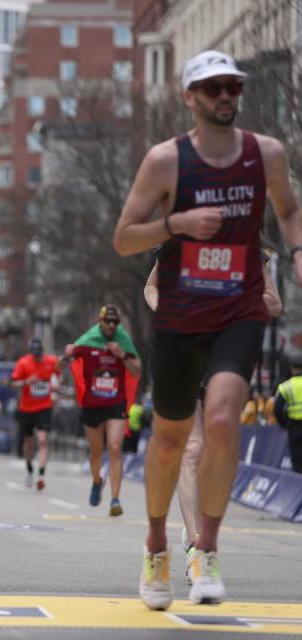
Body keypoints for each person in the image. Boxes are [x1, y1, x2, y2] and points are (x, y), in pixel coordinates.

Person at [114, 50, 302, 609]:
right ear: (190, 97)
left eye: (233, 87)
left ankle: (208, 550)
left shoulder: (265, 153)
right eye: (213, 87)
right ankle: (155, 546)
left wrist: (296, 251)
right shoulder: (165, 162)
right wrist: (176, 224)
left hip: (237, 307)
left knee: (222, 420)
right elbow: (125, 238)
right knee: (172, 440)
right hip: (180, 312)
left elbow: (289, 210)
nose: (225, 96)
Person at [145, 251, 283, 580]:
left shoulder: (247, 241)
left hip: (223, 356)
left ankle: (200, 532)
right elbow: (151, 286)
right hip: (182, 352)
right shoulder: (178, 236)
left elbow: (273, 303)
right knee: (191, 450)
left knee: (213, 451)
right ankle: (197, 547)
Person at [58, 305, 141, 517]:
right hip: (92, 405)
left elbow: (137, 370)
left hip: (116, 404)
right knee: (96, 452)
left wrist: (122, 355)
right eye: (108, 321)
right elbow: (59, 367)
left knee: (114, 448)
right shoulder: (88, 341)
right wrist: (66, 356)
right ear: (100, 321)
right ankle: (97, 481)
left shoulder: (123, 341)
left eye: (115, 322)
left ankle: (115, 499)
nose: (112, 326)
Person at [11, 338, 57, 491]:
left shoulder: (51, 361)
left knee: (43, 440)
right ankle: (30, 469)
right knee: (28, 442)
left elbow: (59, 374)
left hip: (44, 406)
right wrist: (26, 382)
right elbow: (13, 382)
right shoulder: (23, 363)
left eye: (40, 353)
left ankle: (41, 475)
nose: (37, 357)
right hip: (26, 408)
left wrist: (57, 384)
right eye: (35, 353)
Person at [275, 354, 302, 473]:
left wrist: (284, 423)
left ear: (291, 368)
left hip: (295, 427)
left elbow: (277, 409)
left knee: (297, 462)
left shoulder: (286, 386)